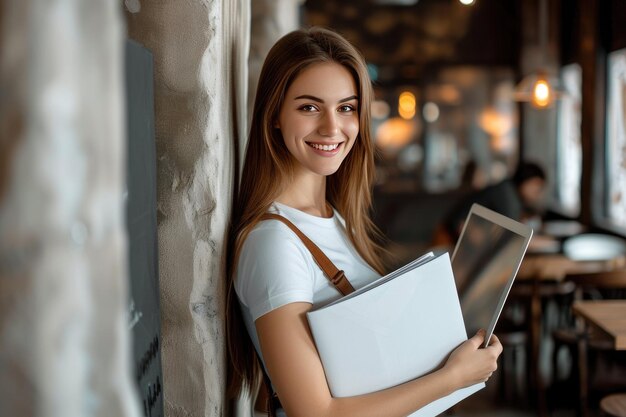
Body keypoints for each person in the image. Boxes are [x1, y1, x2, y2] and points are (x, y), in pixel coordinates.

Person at [226, 27, 502, 417]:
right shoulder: (274, 243)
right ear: (273, 113)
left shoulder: (332, 217)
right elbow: (316, 412)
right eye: (309, 107)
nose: (332, 128)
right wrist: (451, 378)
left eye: (346, 107)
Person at [439, 161, 547, 245]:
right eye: (537, 186)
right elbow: (513, 236)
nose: (538, 193)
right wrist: (543, 242)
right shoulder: (507, 196)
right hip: (450, 237)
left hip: (456, 234)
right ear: (526, 181)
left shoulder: (507, 189)